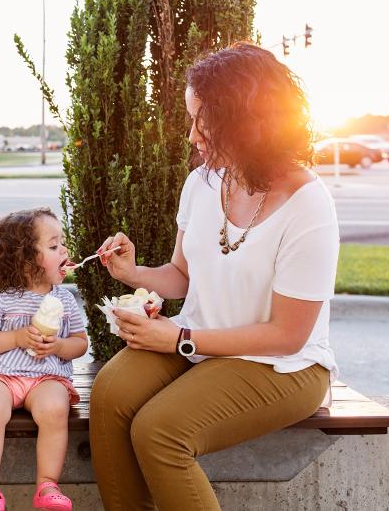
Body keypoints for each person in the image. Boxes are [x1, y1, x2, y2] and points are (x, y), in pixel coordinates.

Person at [88, 42, 340, 511]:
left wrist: (181, 339)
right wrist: (132, 272)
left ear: (240, 118)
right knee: (110, 392)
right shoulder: (202, 182)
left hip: (283, 366)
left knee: (159, 431)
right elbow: (182, 276)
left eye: (199, 119)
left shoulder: (308, 204)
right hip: (198, 341)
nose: (190, 136)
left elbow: (287, 335)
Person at [0, 208, 88, 511]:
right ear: (25, 260)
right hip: (0, 375)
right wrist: (15, 338)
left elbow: (80, 343)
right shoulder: (2, 296)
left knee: (54, 409)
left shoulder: (63, 298)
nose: (64, 250)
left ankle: (47, 485)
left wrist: (59, 346)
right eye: (53, 246)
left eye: (62, 243)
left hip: (46, 377)